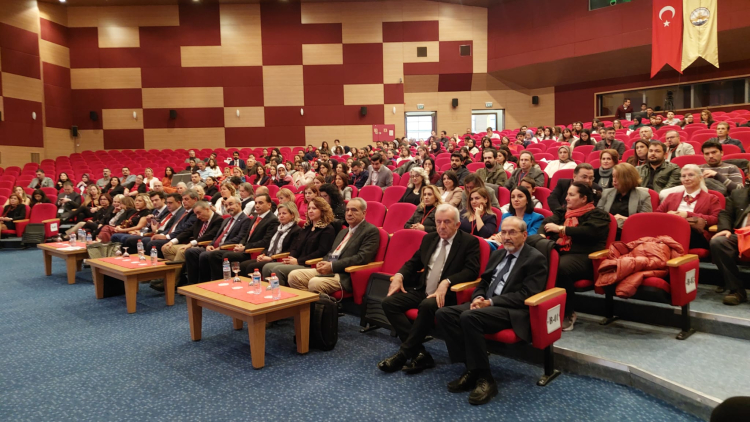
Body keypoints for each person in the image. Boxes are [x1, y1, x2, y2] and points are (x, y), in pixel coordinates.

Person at [435, 216, 548, 405]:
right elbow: (484, 282)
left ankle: (486, 379)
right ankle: (472, 369)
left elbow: (526, 294)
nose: (507, 237)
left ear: (524, 235)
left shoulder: (535, 259)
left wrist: (490, 302)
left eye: (512, 232)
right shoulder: (498, 254)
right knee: (443, 314)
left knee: (470, 317)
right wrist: (478, 297)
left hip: (511, 310)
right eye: (503, 232)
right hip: (486, 304)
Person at [377, 204, 480, 375]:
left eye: (447, 222)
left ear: (457, 224)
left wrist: (447, 281)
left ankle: (403, 354)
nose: (441, 226)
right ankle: (419, 353)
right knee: (389, 302)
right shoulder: (429, 239)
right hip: (423, 289)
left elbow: (471, 271)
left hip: (447, 295)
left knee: (426, 305)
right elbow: (413, 263)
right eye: (438, 222)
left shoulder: (469, 242)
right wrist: (400, 275)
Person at [539, 182, 611, 331]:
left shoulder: (598, 215)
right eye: (567, 194)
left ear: (584, 198)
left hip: (585, 257)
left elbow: (588, 232)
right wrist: (541, 235)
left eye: (571, 195)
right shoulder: (563, 212)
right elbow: (547, 222)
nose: (566, 198)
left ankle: (568, 313)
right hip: (562, 252)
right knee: (536, 260)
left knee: (558, 268)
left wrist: (562, 229)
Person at [287, 198, 380, 294]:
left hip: (344, 274)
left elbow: (362, 258)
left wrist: (332, 266)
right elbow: (332, 252)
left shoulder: (370, 231)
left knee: (314, 283)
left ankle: (318, 302)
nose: (349, 213)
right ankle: (313, 302)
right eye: (347, 210)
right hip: (329, 269)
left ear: (364, 213)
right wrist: (324, 262)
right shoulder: (343, 231)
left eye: (354, 210)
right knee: (294, 276)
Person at [261, 197, 337, 286]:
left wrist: (298, 261)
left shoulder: (327, 229)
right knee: (267, 267)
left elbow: (321, 252)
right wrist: (291, 258)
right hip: (298, 261)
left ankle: (281, 293)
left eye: (314, 208)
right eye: (309, 208)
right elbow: (295, 246)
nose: (310, 211)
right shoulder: (307, 227)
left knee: (278, 270)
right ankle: (270, 292)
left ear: (323, 210)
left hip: (310, 264)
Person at [207, 194, 280, 280]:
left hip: (254, 252)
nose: (257, 205)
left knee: (226, 255)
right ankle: (219, 280)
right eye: (256, 203)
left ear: (269, 205)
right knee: (215, 255)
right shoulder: (255, 218)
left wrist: (245, 247)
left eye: (260, 203)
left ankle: (227, 280)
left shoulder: (272, 220)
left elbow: (266, 241)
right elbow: (246, 236)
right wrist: (241, 244)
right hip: (246, 249)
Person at [184, 197, 251, 285]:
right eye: (226, 205)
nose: (228, 207)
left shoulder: (245, 220)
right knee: (191, 252)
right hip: (216, 247)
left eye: (230, 204)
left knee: (207, 255)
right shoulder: (226, 219)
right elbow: (217, 236)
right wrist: (210, 244)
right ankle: (193, 283)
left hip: (228, 248)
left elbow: (239, 238)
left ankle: (207, 283)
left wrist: (220, 247)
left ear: (239, 204)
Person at [657, 165, 721, 249]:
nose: (686, 179)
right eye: (683, 176)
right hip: (671, 230)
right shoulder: (671, 196)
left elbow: (715, 219)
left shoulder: (712, 198)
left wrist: (687, 214)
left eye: (691, 175)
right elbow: (657, 214)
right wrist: (668, 215)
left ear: (700, 178)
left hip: (696, 234)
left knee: (682, 230)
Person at [710, 183, 750, 305]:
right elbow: (725, 214)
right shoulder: (737, 194)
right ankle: (736, 290)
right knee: (718, 242)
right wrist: (725, 229)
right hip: (741, 236)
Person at [238, 203, 304, 277]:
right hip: (269, 256)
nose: (281, 216)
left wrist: (271, 258)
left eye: (284, 213)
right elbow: (267, 245)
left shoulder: (296, 230)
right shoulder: (277, 228)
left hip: (279, 259)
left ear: (292, 215)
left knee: (251, 267)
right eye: (279, 214)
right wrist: (262, 254)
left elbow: (291, 250)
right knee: (243, 265)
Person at [598, 163, 653, 236]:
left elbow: (645, 221)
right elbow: (598, 214)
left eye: (618, 177)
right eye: (613, 176)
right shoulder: (606, 193)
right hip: (606, 230)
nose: (614, 180)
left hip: (631, 231)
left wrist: (625, 219)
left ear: (628, 179)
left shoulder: (643, 196)